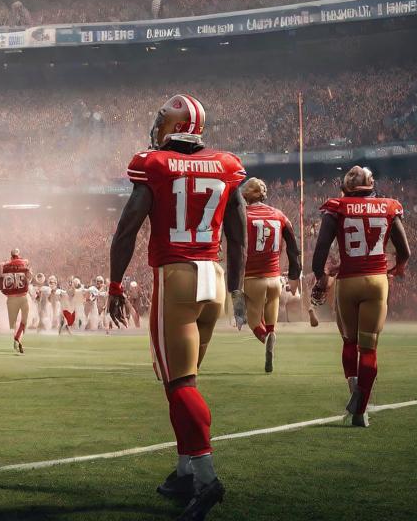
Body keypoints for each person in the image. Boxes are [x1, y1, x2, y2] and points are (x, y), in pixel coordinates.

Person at [108, 95, 246, 521]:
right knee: (183, 381)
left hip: (178, 276)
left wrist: (114, 284)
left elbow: (127, 228)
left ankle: (206, 479)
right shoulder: (226, 164)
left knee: (180, 383)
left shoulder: (155, 164)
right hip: (215, 279)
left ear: (174, 126)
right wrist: (238, 292)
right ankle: (186, 469)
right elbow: (238, 236)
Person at [311, 165, 409, 427]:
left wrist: (320, 275)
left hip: (348, 282)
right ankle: (361, 408)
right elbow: (405, 251)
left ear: (346, 187)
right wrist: (397, 268)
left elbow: (321, 249)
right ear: (371, 185)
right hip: (377, 281)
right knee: (369, 347)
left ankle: (355, 392)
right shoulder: (388, 206)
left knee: (349, 342)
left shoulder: (337, 206)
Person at [239, 178, 301, 372]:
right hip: (275, 279)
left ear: (247, 194)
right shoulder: (279, 215)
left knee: (254, 322)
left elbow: (235, 246)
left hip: (252, 278)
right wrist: (294, 275)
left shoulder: (242, 215)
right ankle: (272, 334)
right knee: (272, 319)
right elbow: (293, 248)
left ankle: (266, 338)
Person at [0, 248, 31, 352]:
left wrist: (7, 294)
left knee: (15, 322)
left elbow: (1, 283)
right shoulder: (24, 263)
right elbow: (29, 277)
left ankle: (17, 340)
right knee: (23, 321)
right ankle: (18, 339)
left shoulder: (5, 265)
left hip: (11, 298)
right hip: (23, 296)